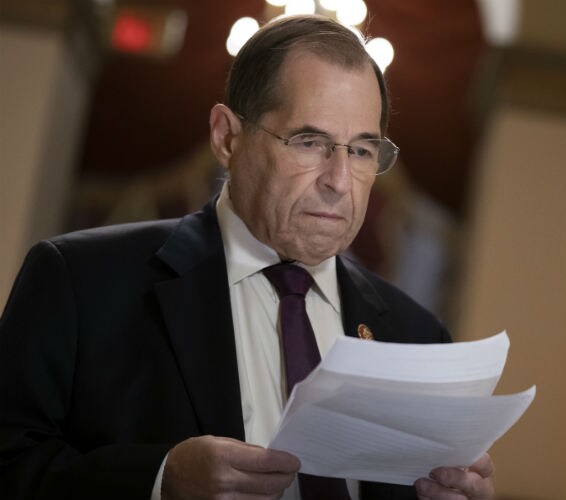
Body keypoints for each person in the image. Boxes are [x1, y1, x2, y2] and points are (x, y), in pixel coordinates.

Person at [0, 14, 494, 500]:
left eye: (362, 151)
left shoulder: (417, 339)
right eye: (309, 142)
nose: (340, 181)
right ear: (227, 138)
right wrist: (161, 480)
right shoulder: (81, 282)